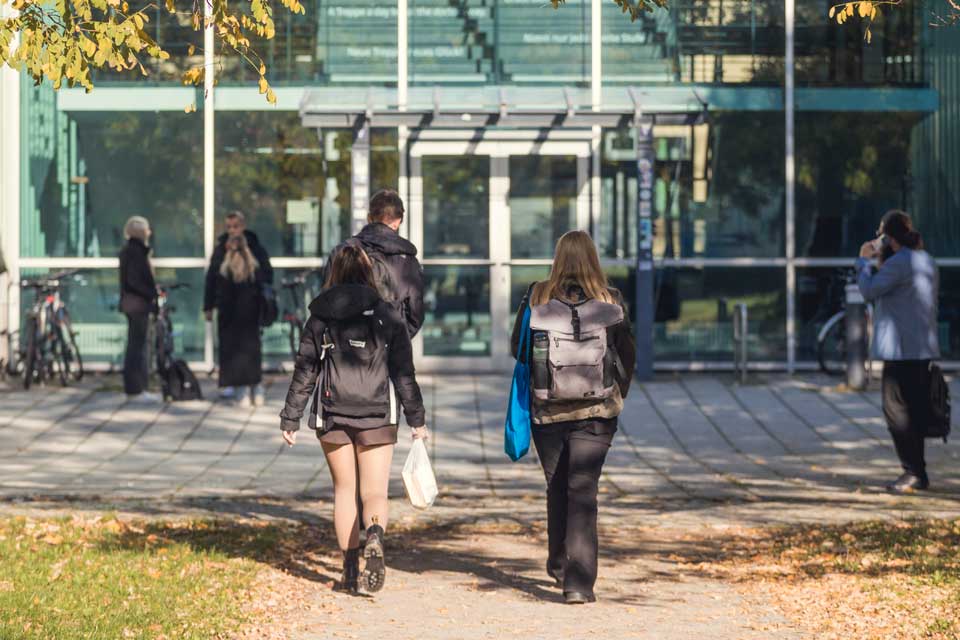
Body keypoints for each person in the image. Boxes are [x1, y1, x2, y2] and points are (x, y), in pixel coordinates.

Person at [280, 244, 428, 594]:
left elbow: (306, 370)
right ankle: (374, 535)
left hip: (333, 414)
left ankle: (348, 572)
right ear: (368, 272)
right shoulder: (388, 315)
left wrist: (290, 418)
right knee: (374, 491)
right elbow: (403, 373)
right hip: (377, 413)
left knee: (344, 490)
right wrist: (417, 419)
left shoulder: (320, 316)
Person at [510, 230, 636, 605]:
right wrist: (619, 393)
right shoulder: (610, 300)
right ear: (593, 259)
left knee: (557, 484)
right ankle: (579, 583)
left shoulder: (536, 296)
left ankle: (559, 563)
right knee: (583, 489)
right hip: (598, 412)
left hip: (547, 411)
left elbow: (516, 350)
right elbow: (627, 354)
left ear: (557, 258)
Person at [857, 210, 940, 494]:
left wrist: (863, 260)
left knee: (896, 412)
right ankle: (918, 472)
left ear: (888, 237)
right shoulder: (925, 259)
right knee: (914, 412)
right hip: (922, 347)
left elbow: (868, 290)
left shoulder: (900, 263)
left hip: (900, 350)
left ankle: (912, 472)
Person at [325, 190, 424, 338]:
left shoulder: (342, 251)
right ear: (398, 221)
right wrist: (396, 342)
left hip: (345, 349)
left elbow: (326, 300)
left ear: (369, 217)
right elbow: (415, 314)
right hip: (389, 350)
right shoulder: (408, 261)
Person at [203, 211, 273, 405]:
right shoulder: (221, 249)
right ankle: (238, 385)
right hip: (230, 310)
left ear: (242, 226)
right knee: (232, 348)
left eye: (235, 226)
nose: (232, 231)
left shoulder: (254, 247)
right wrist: (208, 306)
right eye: (229, 227)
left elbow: (266, 276)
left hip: (247, 309)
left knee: (249, 348)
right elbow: (211, 279)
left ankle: (249, 387)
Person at [118, 216, 160, 402]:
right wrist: (151, 293)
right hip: (138, 304)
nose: (149, 232)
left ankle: (136, 387)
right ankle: (136, 388)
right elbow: (135, 281)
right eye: (147, 229)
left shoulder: (131, 251)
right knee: (138, 346)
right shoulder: (136, 253)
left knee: (137, 345)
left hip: (133, 303)